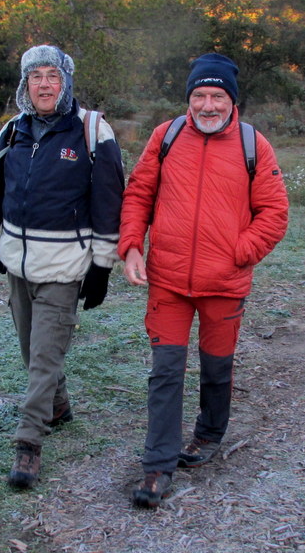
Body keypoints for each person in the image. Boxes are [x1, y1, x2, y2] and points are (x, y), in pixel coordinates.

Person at [119, 53, 289, 509]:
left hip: (224, 284)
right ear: (188, 99)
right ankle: (157, 466)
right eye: (199, 96)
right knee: (166, 371)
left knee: (217, 367)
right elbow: (139, 192)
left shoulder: (255, 145)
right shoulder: (167, 136)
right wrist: (132, 244)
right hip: (168, 281)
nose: (207, 105)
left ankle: (209, 434)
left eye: (217, 96)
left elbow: (273, 214)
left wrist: (239, 253)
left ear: (232, 101)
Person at [0, 44, 125, 490]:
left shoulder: (92, 132)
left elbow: (110, 204)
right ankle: (58, 405)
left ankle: (28, 442)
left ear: (66, 82)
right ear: (25, 85)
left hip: (66, 267)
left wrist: (102, 266)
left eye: (53, 76)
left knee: (43, 358)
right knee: (34, 353)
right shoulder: (12, 131)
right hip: (16, 264)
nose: (45, 85)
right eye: (36, 77)